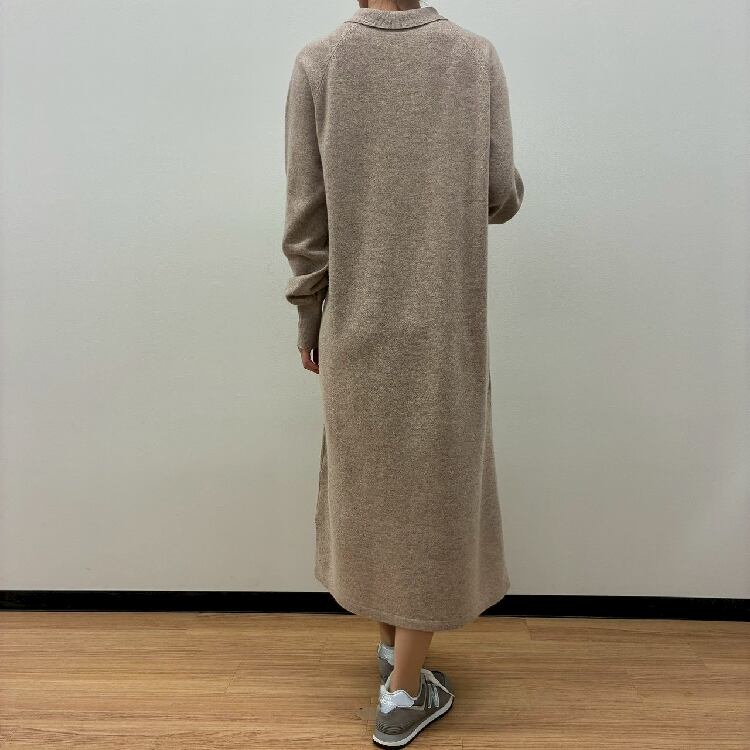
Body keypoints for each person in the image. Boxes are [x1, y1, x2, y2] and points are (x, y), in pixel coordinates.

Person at [282, 0, 524, 745]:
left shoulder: (319, 62)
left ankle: (399, 661)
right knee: (433, 499)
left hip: (355, 325)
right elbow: (500, 196)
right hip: (446, 326)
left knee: (379, 492)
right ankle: (403, 691)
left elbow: (306, 215)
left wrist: (308, 314)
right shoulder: (473, 56)